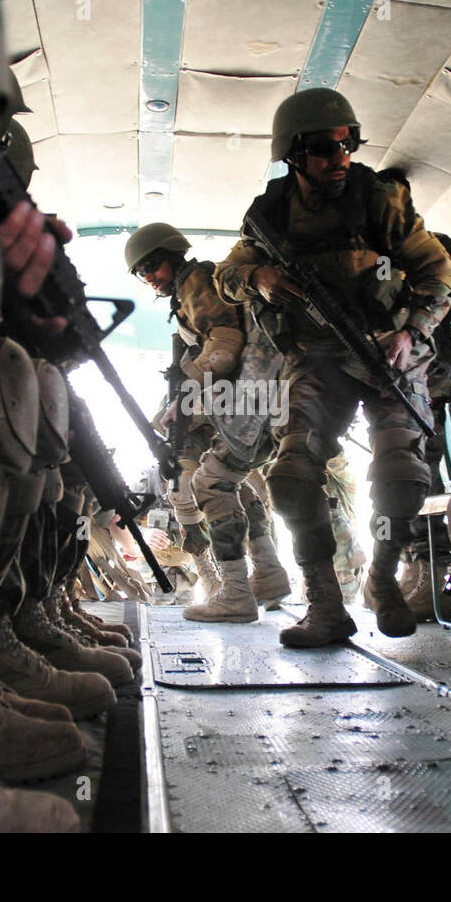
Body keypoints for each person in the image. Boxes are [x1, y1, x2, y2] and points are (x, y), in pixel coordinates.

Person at [215, 88, 451, 647]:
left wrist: (411, 330)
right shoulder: (269, 217)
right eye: (327, 148)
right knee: (291, 477)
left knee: (402, 474)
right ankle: (325, 604)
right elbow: (224, 275)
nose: (341, 158)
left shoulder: (379, 203)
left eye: (349, 144)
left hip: (388, 353)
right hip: (317, 360)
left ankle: (382, 578)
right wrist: (260, 278)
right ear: (294, 155)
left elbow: (442, 274)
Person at [127, 223, 291, 623]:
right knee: (226, 483)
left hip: (244, 399)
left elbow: (223, 345)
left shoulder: (196, 281)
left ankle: (232, 591)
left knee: (205, 483)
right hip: (244, 400)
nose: (149, 276)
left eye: (153, 265)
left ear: (174, 254)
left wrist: (184, 395)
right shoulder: (186, 294)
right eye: (141, 272)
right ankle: (265, 575)